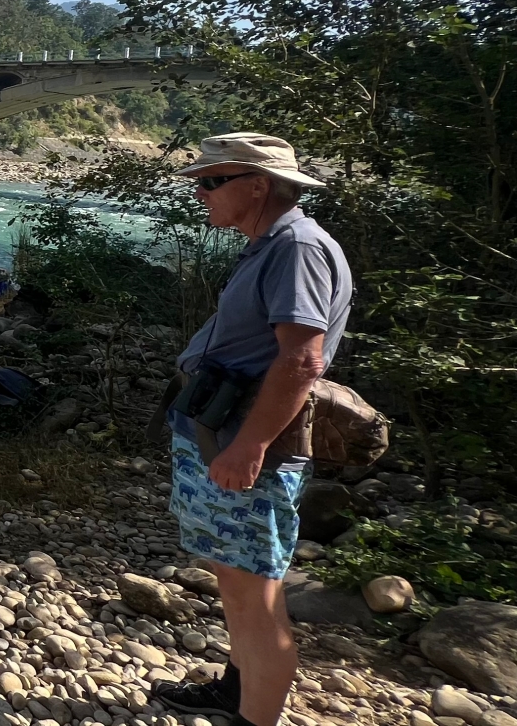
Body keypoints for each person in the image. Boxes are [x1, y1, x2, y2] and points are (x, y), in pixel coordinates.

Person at [151, 133, 350, 726]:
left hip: (242, 445)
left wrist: (250, 445)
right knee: (237, 583)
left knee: (253, 595)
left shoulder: (297, 250)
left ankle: (254, 717)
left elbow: (301, 360)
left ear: (258, 186)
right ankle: (235, 692)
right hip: (218, 434)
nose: (199, 191)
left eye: (212, 181)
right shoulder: (270, 245)